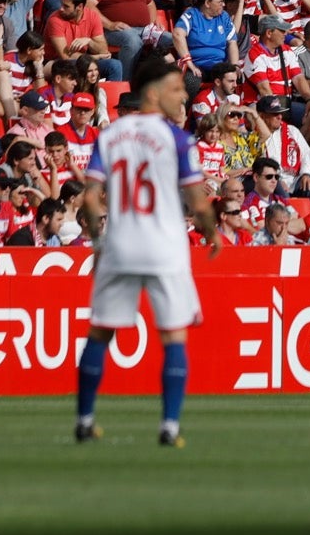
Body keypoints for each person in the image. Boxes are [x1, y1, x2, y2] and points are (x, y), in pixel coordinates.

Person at [73, 56, 220, 448]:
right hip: (165, 247)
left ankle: (85, 420)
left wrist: (97, 242)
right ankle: (169, 426)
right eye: (175, 90)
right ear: (153, 94)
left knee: (100, 332)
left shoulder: (110, 136)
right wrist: (212, 233)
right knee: (173, 337)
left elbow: (89, 199)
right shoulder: (178, 138)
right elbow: (198, 200)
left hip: (120, 244)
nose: (181, 97)